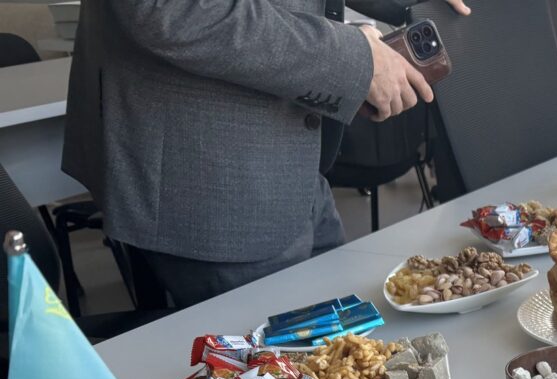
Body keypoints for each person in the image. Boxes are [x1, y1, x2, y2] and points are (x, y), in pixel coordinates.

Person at [62, 1, 468, 309]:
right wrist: (353, 60)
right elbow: (172, 10)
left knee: (343, 366)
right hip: (211, 182)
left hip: (293, 162)